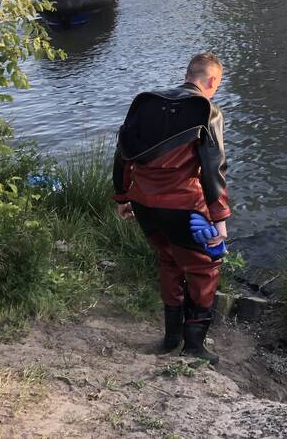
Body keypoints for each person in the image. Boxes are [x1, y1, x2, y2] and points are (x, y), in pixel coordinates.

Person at [112, 53, 230, 363]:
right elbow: (213, 165)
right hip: (184, 208)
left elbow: (123, 150)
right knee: (204, 268)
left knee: (169, 261)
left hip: (145, 204)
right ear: (213, 81)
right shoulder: (207, 109)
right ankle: (193, 348)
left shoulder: (146, 103)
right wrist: (219, 217)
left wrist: (123, 196)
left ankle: (170, 338)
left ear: (187, 74)